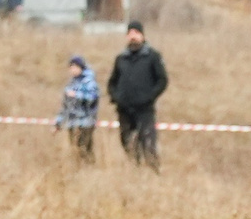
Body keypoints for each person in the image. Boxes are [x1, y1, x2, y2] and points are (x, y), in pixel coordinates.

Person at [107, 21, 168, 169]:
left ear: (142, 35)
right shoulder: (121, 58)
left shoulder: (152, 56)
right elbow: (112, 82)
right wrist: (116, 97)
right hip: (124, 110)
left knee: (148, 143)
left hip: (144, 110)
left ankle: (153, 171)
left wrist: (149, 97)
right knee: (128, 143)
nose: (133, 36)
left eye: (136, 33)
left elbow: (162, 80)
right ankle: (136, 170)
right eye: (130, 33)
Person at [54, 56, 99, 160]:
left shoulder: (89, 83)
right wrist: (58, 123)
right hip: (72, 122)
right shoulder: (71, 84)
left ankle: (89, 167)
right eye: (71, 67)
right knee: (75, 150)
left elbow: (92, 98)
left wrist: (77, 95)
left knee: (85, 149)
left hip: (86, 122)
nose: (73, 70)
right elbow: (65, 106)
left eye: (75, 67)